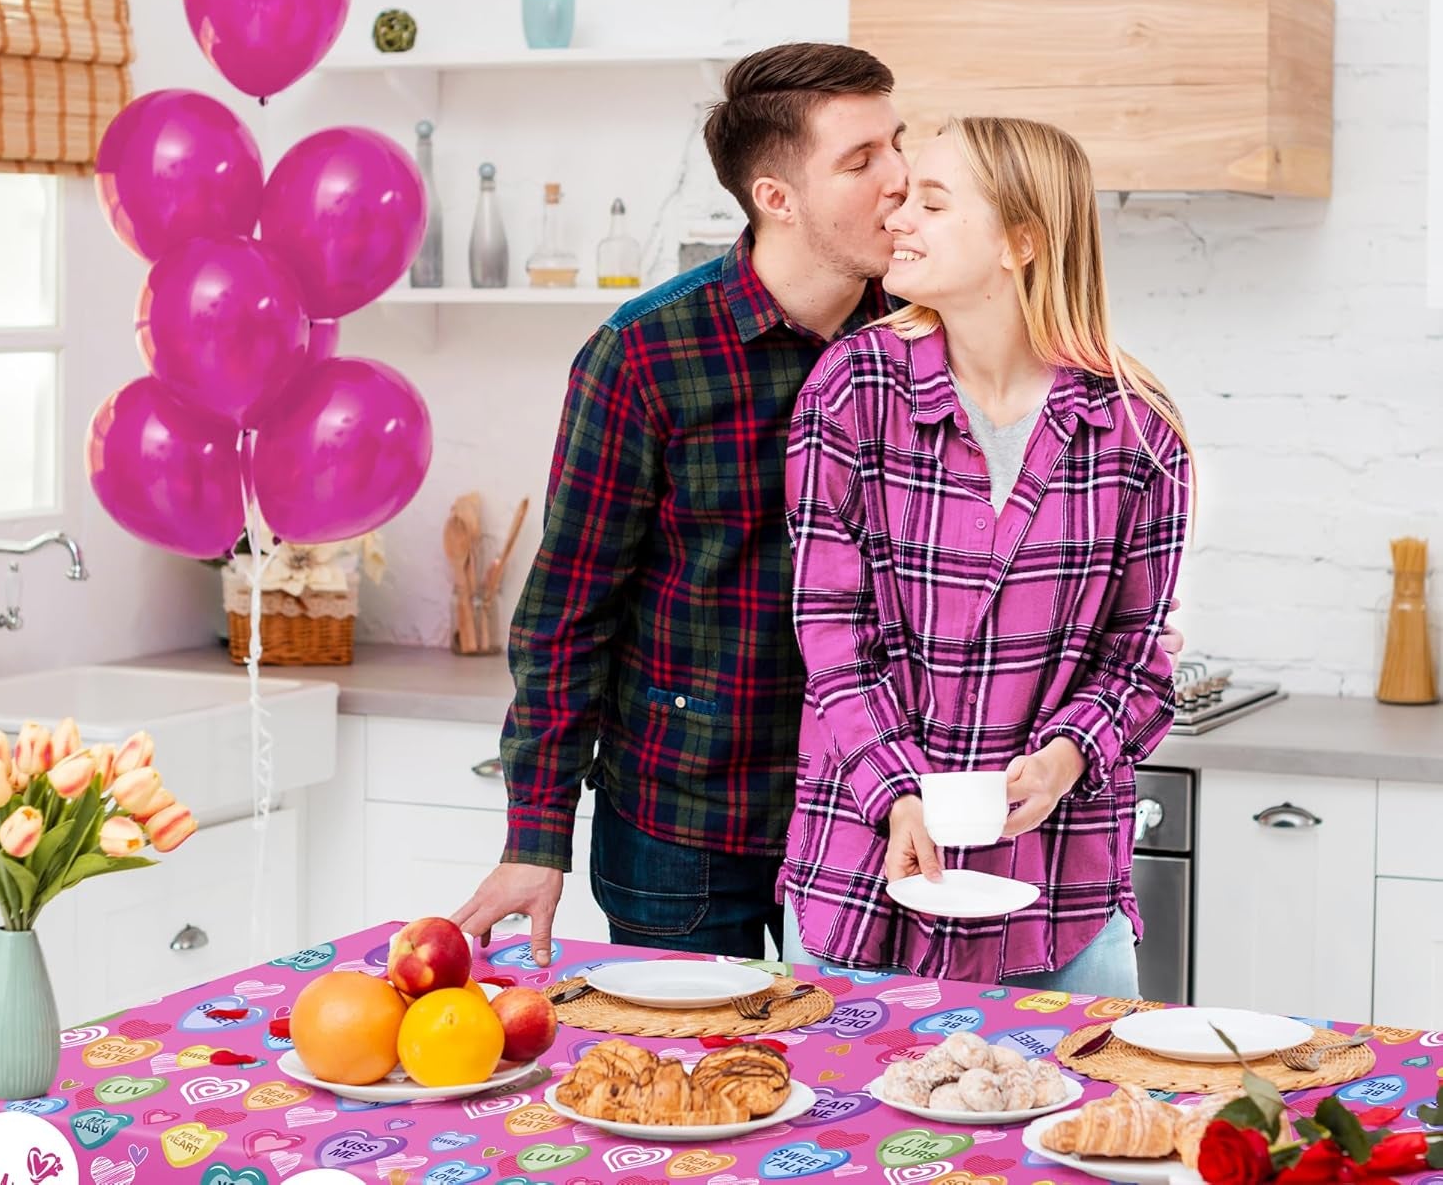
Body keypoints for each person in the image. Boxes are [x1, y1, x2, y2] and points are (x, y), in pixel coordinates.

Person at [451, 48, 1184, 969]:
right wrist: (535, 834)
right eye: (861, 161)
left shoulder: (927, 324)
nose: (899, 182)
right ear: (778, 198)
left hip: (869, 806)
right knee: (703, 1081)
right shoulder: (647, 355)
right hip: (691, 818)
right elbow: (566, 615)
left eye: (899, 147)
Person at [781, 116, 1192, 997]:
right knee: (846, 1129)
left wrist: (1069, 757)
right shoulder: (852, 390)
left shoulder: (1137, 429)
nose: (899, 218)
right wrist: (897, 793)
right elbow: (829, 634)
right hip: (864, 878)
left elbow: (1141, 659)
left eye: (932, 202)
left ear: (1022, 241)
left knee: (1082, 1132)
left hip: (1062, 898)